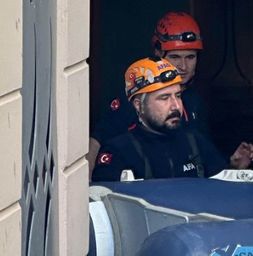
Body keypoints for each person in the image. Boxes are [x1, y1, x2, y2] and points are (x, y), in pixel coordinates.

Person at [91, 58, 253, 182]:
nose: (176, 106)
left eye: (177, 96)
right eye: (164, 98)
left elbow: (222, 194)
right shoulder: (117, 152)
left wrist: (234, 169)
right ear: (138, 105)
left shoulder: (196, 143)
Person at [88, 11, 210, 176]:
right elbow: (99, 139)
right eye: (175, 57)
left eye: (190, 57)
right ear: (158, 53)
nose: (183, 66)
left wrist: (233, 165)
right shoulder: (137, 97)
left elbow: (203, 158)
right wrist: (86, 185)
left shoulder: (194, 100)